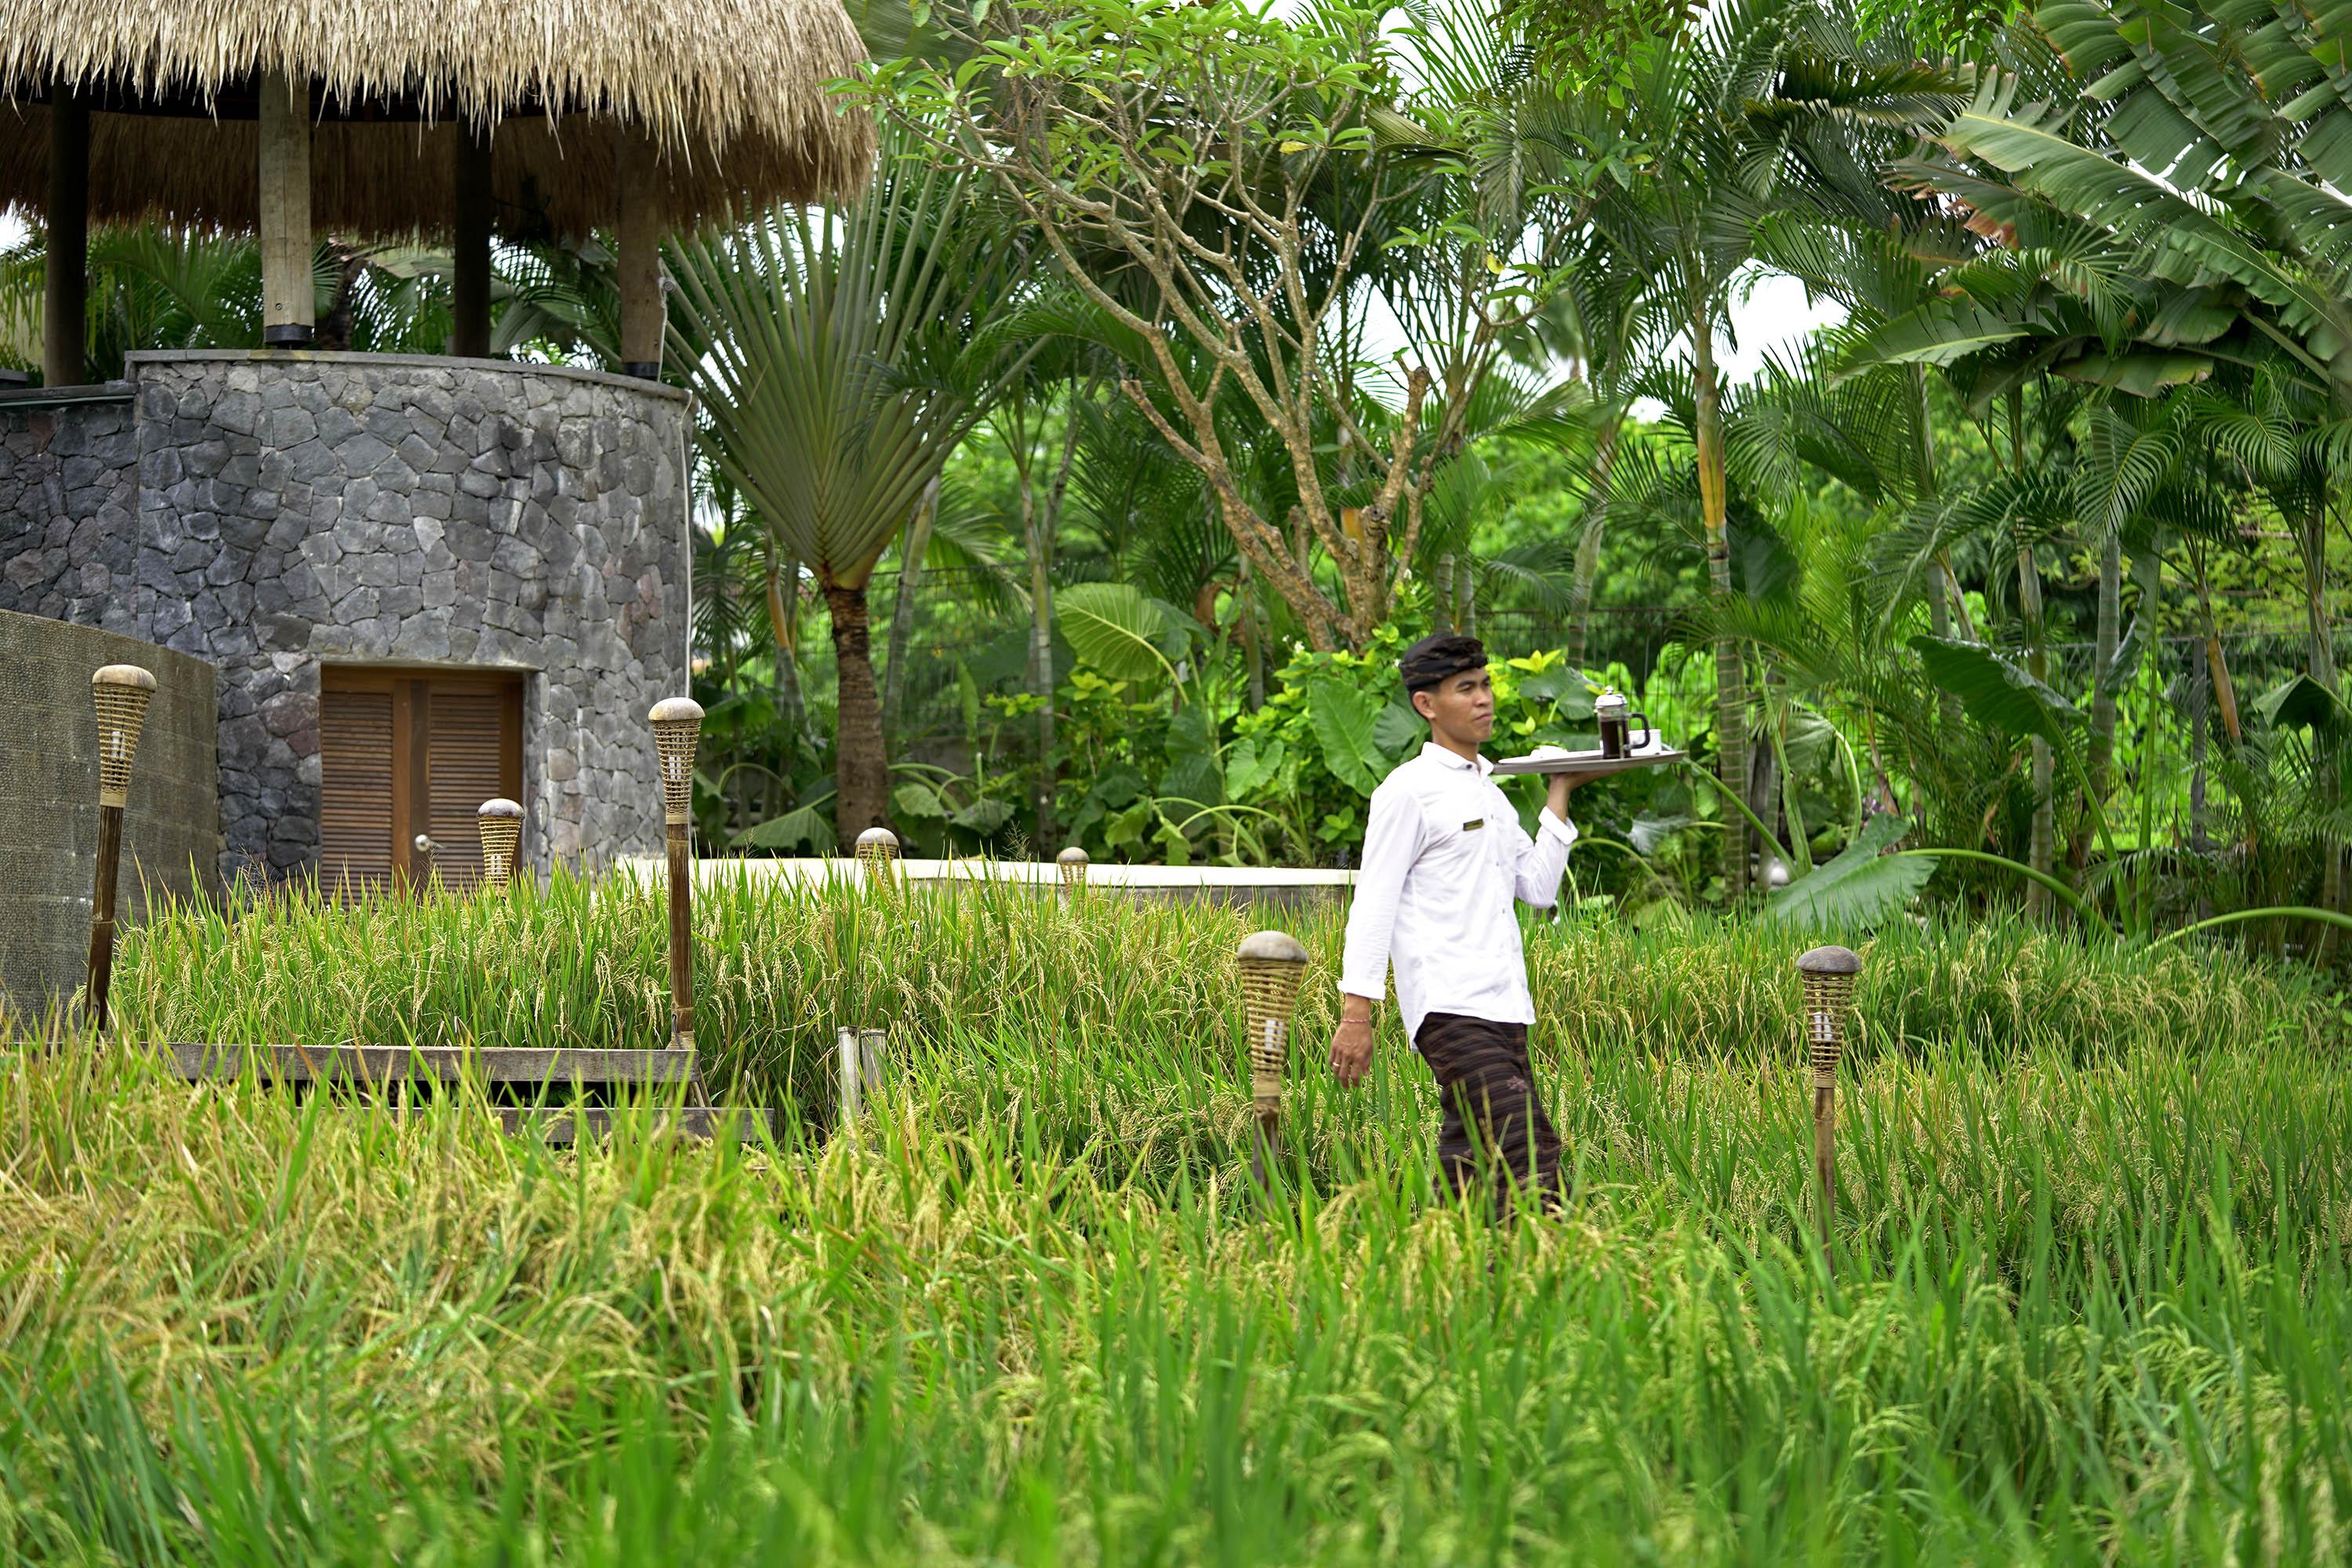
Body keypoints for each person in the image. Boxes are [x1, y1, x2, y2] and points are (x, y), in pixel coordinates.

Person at [1327, 632, 1583, 1220]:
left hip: (1507, 1006)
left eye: (1486, 685)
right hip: (1448, 1005)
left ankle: (1445, 1269)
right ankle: (1543, 1266)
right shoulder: (1408, 793)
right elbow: (1374, 905)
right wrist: (1356, 1016)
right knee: (1529, 1148)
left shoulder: (1490, 794)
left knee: (1470, 1156)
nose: (1484, 699)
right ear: (1426, 705)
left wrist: (1560, 790)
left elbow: (1539, 889)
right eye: (1466, 688)